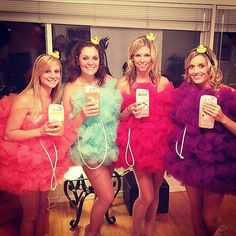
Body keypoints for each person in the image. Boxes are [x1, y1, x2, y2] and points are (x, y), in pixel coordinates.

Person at [0, 53, 75, 236]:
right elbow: (9, 134)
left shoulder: (51, 98)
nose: (53, 75)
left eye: (57, 71)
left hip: (44, 161)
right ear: (38, 73)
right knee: (31, 214)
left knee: (43, 208)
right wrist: (40, 131)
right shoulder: (26, 98)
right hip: (26, 164)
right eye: (48, 71)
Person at [165, 45, 236, 236]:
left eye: (201, 66)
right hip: (191, 161)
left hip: (217, 164)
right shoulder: (184, 93)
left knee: (210, 218)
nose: (196, 71)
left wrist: (222, 118)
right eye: (191, 67)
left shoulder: (227, 93)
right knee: (195, 213)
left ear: (210, 67)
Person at [116, 33, 174, 236]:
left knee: (156, 192)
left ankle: (148, 230)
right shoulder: (123, 84)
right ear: (131, 58)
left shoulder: (164, 83)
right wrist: (129, 110)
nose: (142, 60)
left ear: (153, 57)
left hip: (160, 144)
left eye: (146, 55)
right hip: (139, 145)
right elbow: (119, 118)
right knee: (146, 195)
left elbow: (171, 117)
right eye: (137, 55)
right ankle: (135, 232)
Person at [62, 39, 121, 236]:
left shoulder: (110, 82)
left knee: (101, 195)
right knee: (107, 196)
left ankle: (93, 227)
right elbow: (65, 125)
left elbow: (124, 99)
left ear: (100, 60)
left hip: (110, 145)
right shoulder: (70, 87)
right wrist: (82, 114)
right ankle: (92, 232)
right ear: (77, 60)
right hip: (87, 148)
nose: (90, 62)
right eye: (85, 57)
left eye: (94, 57)